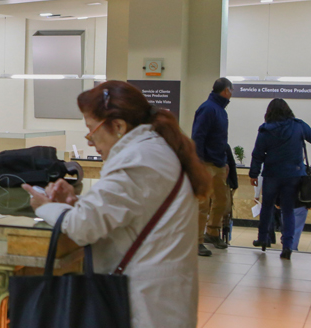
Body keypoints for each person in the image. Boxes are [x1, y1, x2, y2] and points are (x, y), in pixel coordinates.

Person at [23, 81, 211, 328]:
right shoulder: (151, 151)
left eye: (91, 130)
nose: (90, 141)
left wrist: (44, 206)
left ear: (119, 126)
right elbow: (125, 211)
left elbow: (83, 227)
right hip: (159, 298)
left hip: (147, 303)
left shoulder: (137, 160)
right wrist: (74, 202)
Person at [249, 98, 311, 260]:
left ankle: (263, 239)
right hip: (293, 176)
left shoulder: (266, 130)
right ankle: (287, 246)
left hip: (272, 175)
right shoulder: (298, 126)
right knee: (288, 210)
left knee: (267, 207)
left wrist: (253, 174)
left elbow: (258, 154)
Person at [191, 77, 233, 256]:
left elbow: (221, 140)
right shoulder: (208, 109)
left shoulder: (221, 111)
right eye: (232, 90)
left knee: (222, 201)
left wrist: (225, 163)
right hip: (206, 163)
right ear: (226, 91)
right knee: (202, 205)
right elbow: (198, 136)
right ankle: (197, 241)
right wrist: (198, 162)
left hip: (219, 164)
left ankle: (212, 233)